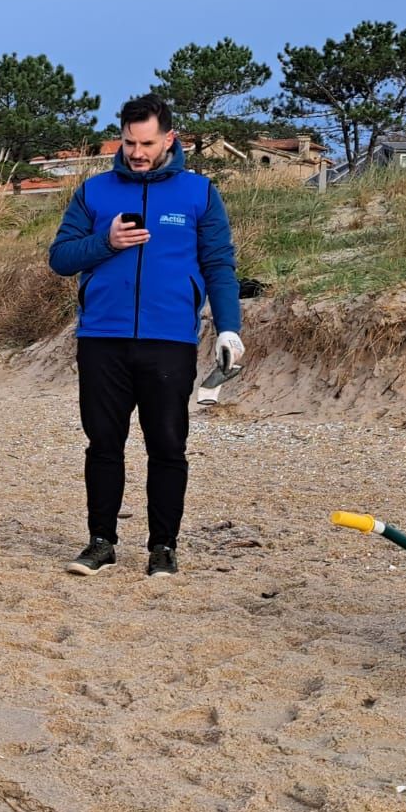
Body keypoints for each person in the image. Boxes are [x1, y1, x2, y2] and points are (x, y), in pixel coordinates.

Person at [48, 94, 242, 578]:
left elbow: (219, 265)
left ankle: (163, 547)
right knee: (103, 444)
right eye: (130, 142)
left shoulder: (199, 193)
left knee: (168, 446)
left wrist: (229, 327)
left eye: (147, 143)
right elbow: (60, 258)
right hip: (102, 337)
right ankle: (100, 542)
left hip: (169, 340)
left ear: (169, 139)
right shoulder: (94, 192)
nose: (137, 152)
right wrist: (105, 242)